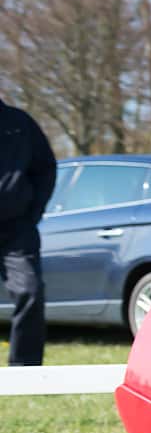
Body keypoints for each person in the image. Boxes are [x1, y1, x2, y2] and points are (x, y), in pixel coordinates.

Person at [0, 96, 57, 367]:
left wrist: (33, 212)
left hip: (17, 230)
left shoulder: (19, 124)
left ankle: (24, 368)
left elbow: (45, 167)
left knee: (31, 292)